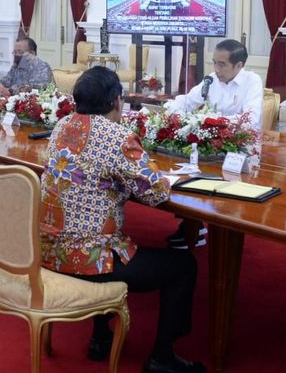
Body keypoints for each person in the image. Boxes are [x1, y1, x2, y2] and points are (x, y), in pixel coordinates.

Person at [40, 66, 206, 373]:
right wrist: (168, 176)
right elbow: (155, 193)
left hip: (49, 253)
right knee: (183, 266)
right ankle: (162, 357)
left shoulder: (62, 125)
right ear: (118, 101)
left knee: (103, 236)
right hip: (91, 260)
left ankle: (100, 338)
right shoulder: (118, 137)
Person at [164, 38, 263, 249]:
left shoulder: (252, 82)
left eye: (222, 64)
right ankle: (193, 224)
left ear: (239, 65)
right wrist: (170, 108)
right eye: (214, 63)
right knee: (183, 170)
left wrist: (212, 122)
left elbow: (251, 120)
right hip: (211, 146)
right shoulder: (211, 80)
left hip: (241, 149)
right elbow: (189, 101)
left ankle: (222, 231)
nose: (216, 69)